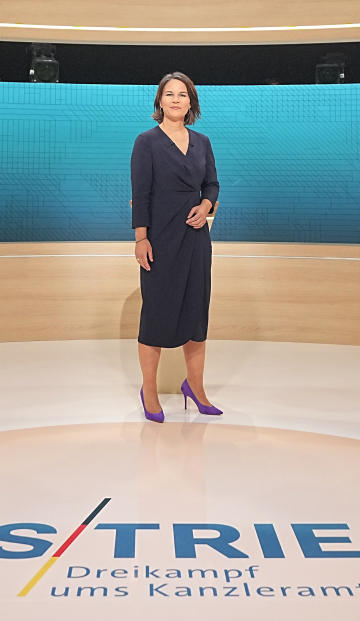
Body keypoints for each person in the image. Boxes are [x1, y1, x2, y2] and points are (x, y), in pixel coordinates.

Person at [130, 72, 221, 422]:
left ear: (190, 102)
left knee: (196, 316)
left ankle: (195, 388)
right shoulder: (146, 142)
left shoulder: (203, 141)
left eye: (182, 95)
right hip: (160, 240)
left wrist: (206, 206)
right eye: (169, 94)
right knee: (155, 315)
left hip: (196, 241)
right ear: (159, 101)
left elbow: (212, 184)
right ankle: (149, 392)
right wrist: (141, 238)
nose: (175, 100)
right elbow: (141, 194)